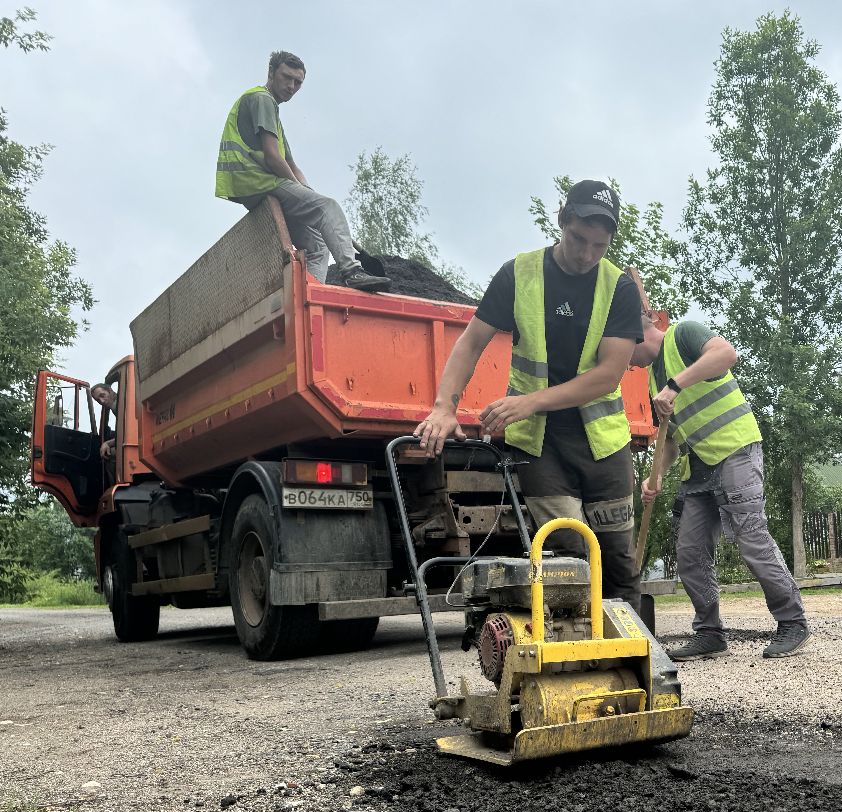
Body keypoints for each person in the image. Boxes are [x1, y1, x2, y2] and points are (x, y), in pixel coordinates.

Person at [414, 180, 644, 607]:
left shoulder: (619, 288)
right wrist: (444, 406)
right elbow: (471, 342)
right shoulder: (518, 274)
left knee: (617, 561)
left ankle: (632, 646)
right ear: (562, 221)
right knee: (567, 557)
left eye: (599, 246)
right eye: (578, 239)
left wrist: (529, 402)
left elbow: (607, 376)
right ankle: (575, 645)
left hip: (604, 446)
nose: (587, 255)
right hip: (540, 448)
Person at [634, 310, 810, 660]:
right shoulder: (653, 380)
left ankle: (793, 621)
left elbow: (726, 354)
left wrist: (675, 384)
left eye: (620, 351)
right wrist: (656, 475)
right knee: (690, 553)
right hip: (699, 466)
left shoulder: (683, 334)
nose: (623, 364)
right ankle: (710, 633)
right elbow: (670, 442)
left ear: (634, 335)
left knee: (751, 539)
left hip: (735, 450)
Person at [215, 51, 389, 292]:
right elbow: (273, 157)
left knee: (318, 245)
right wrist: (313, 200)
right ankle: (352, 271)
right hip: (256, 180)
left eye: (298, 82)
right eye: (287, 77)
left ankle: (309, 296)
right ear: (271, 73)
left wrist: (307, 192)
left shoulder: (273, 113)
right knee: (329, 207)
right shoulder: (262, 99)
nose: (291, 86)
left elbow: (291, 164)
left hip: (255, 185)